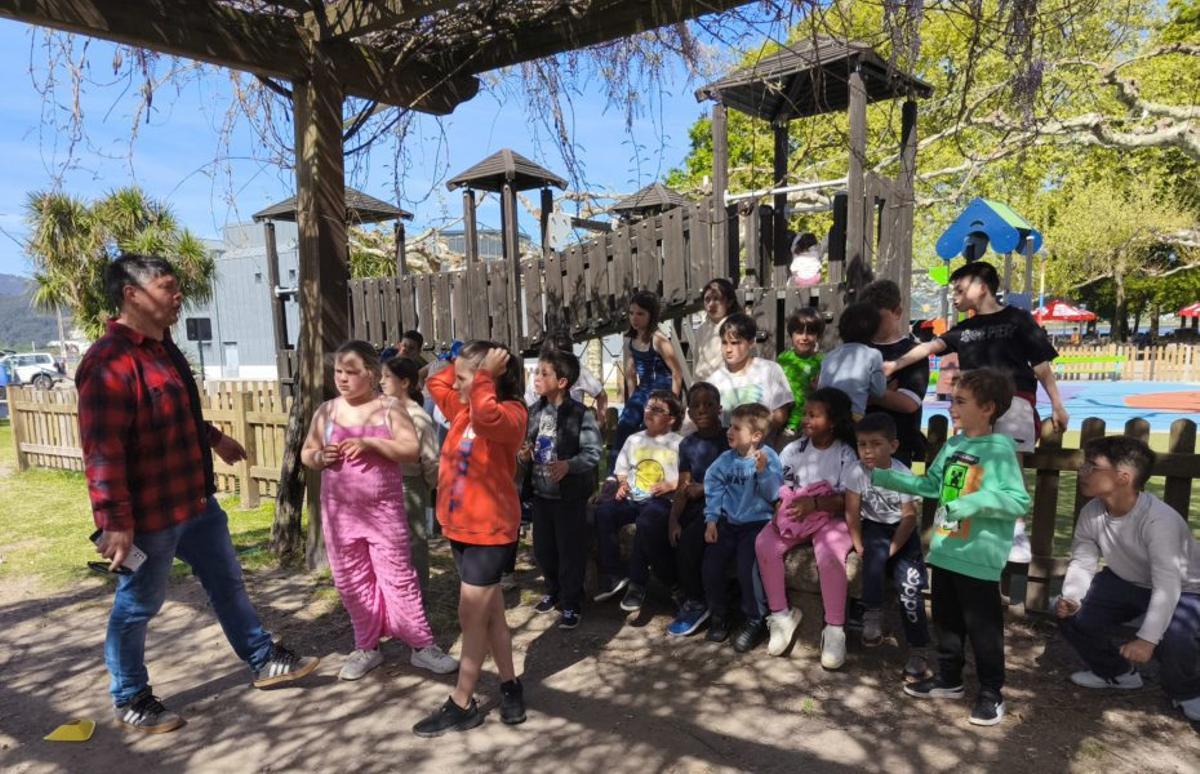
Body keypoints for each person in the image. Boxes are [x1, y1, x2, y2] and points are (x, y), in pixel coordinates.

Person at [79, 253, 318, 734]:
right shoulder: (107, 363)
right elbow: (102, 452)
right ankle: (131, 698)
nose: (178, 295)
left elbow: (174, 412)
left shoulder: (164, 348)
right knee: (138, 605)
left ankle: (262, 659)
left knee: (228, 583)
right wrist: (116, 522)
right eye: (167, 286)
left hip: (196, 502)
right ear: (133, 294)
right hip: (149, 515)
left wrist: (215, 438)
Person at [871, 368, 1031, 727]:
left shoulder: (1000, 450)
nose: (952, 407)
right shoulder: (955, 445)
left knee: (983, 630)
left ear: (988, 408)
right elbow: (930, 484)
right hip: (945, 553)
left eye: (960, 401)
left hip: (978, 559)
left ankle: (991, 693)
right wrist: (881, 475)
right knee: (946, 622)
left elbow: (1017, 500)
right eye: (951, 400)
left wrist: (973, 504)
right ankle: (949, 679)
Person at [303, 342, 458, 681]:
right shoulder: (327, 411)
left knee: (399, 578)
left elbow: (409, 449)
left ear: (371, 374)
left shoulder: (390, 408)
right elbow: (307, 452)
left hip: (383, 511)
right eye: (338, 372)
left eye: (351, 372)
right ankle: (366, 647)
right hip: (339, 515)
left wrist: (371, 444)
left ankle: (421, 646)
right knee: (351, 581)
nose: (342, 379)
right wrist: (318, 458)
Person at [414, 341, 528, 737]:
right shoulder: (462, 413)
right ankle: (511, 685)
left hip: (489, 533)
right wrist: (453, 361)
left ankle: (462, 703)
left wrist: (481, 377)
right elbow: (435, 384)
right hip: (460, 529)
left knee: (471, 618)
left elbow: (486, 410)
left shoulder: (510, 415)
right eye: (464, 379)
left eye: (469, 379)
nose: (460, 385)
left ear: (491, 379)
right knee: (491, 612)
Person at [1056, 436, 1200, 722]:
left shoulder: (1159, 521)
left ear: (1123, 477)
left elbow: (1167, 585)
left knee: (1175, 635)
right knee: (1068, 613)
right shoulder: (1092, 511)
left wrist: (1147, 640)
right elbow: (1083, 560)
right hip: (1126, 582)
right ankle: (1118, 674)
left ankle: (1185, 692)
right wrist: (1072, 597)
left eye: (1092, 466)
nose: (1082, 471)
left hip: (1186, 589)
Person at [884, 261, 1069, 452]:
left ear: (982, 288)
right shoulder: (964, 329)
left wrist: (1057, 405)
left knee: (1008, 464)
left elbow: (1041, 365)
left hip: (1014, 400)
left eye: (960, 290)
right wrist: (894, 365)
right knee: (973, 465)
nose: (954, 297)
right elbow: (927, 348)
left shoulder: (1018, 319)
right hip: (974, 404)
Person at [756, 388, 858, 667]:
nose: (805, 420)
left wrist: (816, 504)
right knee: (765, 544)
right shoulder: (794, 449)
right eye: (805, 414)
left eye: (814, 415)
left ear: (833, 421)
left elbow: (849, 497)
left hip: (831, 518)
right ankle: (781, 616)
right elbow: (783, 487)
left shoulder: (845, 454)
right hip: (797, 515)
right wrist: (781, 508)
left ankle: (835, 630)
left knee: (830, 553)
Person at [844, 413, 931, 679]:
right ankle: (872, 612)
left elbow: (908, 517)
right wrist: (858, 544)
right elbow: (852, 510)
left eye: (875, 444)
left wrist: (892, 550)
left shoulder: (901, 474)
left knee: (909, 588)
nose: (867, 451)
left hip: (902, 532)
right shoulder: (857, 471)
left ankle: (919, 649)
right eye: (862, 444)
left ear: (893, 446)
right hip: (874, 527)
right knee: (871, 558)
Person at [521, 349, 603, 631]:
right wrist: (524, 454)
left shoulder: (581, 414)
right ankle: (553, 591)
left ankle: (571, 603)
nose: (537, 377)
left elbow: (593, 453)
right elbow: (526, 446)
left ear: (563, 382)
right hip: (540, 494)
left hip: (569, 497)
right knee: (544, 550)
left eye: (544, 373)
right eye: (536, 372)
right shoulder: (533, 412)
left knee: (570, 552)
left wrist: (569, 465)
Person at [701, 403, 784, 651]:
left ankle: (755, 619)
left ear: (756, 436)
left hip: (758, 524)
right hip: (729, 522)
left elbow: (774, 495)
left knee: (748, 566)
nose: (729, 431)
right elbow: (713, 487)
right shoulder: (725, 460)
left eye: (737, 428)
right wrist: (712, 520)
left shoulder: (767, 458)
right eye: (730, 426)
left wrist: (762, 473)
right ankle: (719, 614)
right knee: (711, 563)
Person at [593, 390, 685, 605]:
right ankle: (614, 575)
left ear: (671, 419)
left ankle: (637, 584)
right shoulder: (634, 440)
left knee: (646, 523)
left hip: (661, 501)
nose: (649, 412)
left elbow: (687, 477)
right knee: (604, 513)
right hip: (632, 498)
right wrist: (622, 485)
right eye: (648, 407)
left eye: (657, 409)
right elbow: (621, 469)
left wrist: (671, 484)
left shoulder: (678, 443)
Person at [666, 383, 730, 637]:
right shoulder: (688, 444)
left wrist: (705, 488)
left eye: (709, 404)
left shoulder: (730, 438)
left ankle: (699, 602)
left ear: (719, 409)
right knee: (666, 534)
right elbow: (683, 486)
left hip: (724, 508)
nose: (702, 410)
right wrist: (673, 519)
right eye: (696, 405)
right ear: (689, 413)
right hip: (696, 507)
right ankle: (682, 592)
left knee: (694, 540)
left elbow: (738, 476)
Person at [381, 356, 440, 590]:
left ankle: (418, 595)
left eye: (387, 377)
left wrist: (425, 485)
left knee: (414, 542)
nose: (381, 382)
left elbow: (431, 459)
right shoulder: (381, 410)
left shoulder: (417, 416)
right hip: (384, 483)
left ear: (404, 382)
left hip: (409, 483)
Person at [609, 291, 684, 470]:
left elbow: (676, 373)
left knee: (649, 429)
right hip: (643, 391)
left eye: (640, 314)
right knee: (624, 425)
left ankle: (647, 471)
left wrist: (672, 404)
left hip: (662, 391)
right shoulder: (629, 338)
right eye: (631, 313)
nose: (635, 318)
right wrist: (633, 403)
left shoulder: (659, 340)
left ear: (651, 315)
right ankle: (615, 475)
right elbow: (630, 373)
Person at [860, 280, 929, 466]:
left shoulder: (914, 353)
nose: (871, 324)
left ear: (897, 312)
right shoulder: (858, 349)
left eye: (878, 318)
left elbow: (908, 403)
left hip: (898, 447)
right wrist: (885, 392)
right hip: (857, 445)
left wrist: (868, 393)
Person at [705, 313, 794, 446]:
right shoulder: (714, 380)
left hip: (762, 453)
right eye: (724, 343)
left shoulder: (769, 370)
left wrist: (755, 432)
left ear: (752, 342)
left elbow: (781, 414)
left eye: (735, 343)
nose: (728, 349)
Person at [817, 302, 886, 421]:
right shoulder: (873, 355)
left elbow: (821, 388)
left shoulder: (829, 355)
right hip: (853, 417)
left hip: (826, 416)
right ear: (874, 331)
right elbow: (879, 392)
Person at [523, 330, 608, 420]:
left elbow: (601, 394)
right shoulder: (537, 376)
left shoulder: (579, 371)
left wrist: (600, 422)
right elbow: (528, 407)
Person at [776, 307, 824, 445]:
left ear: (818, 336)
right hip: (786, 423)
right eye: (798, 332)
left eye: (810, 332)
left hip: (811, 423)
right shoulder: (784, 358)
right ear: (791, 334)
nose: (804, 337)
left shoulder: (822, 361)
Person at [692, 279, 741, 382]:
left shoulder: (738, 327)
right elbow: (697, 362)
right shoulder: (702, 330)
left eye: (717, 299)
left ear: (729, 302)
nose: (711, 304)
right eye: (707, 299)